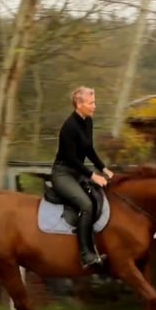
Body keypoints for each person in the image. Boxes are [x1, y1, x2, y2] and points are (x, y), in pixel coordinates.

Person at [50, 86, 114, 269]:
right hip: (63, 174)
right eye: (91, 103)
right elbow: (71, 159)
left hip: (77, 172)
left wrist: (103, 168)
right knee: (86, 205)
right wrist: (93, 175)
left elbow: (88, 150)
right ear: (79, 104)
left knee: (98, 198)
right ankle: (86, 255)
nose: (95, 106)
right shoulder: (69, 127)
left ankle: (95, 245)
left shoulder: (88, 121)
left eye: (95, 102)